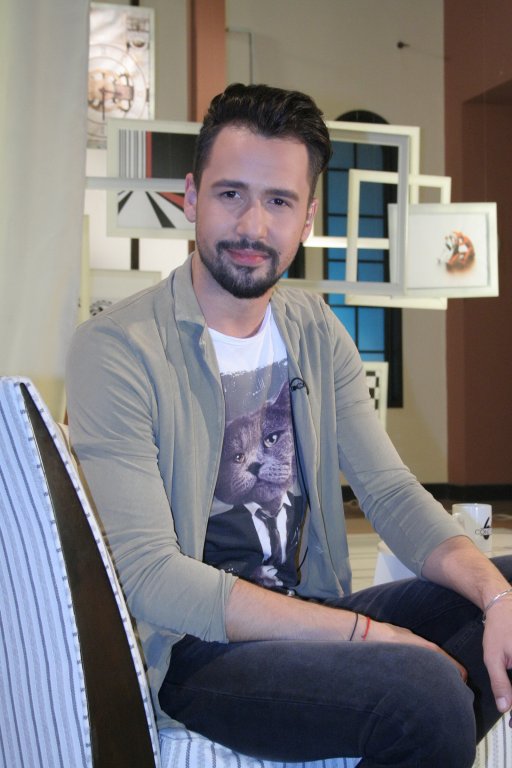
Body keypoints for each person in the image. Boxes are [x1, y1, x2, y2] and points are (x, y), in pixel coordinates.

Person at [66, 83, 512, 767]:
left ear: (307, 218)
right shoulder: (120, 348)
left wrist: (496, 594)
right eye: (231, 194)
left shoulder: (313, 328)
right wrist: (368, 637)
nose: (252, 226)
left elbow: (389, 492)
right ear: (191, 197)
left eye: (279, 201)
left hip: (308, 611)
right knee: (423, 696)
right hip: (195, 648)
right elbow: (149, 574)